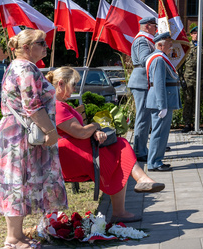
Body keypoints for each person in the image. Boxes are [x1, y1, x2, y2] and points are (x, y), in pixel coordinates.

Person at [47, 67, 164, 222]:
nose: (75, 88)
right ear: (60, 84)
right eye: (73, 84)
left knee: (119, 148)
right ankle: (131, 194)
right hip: (70, 156)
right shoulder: (58, 106)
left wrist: (94, 131)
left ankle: (139, 184)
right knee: (119, 150)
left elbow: (77, 132)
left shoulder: (60, 104)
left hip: (76, 151)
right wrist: (96, 126)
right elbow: (80, 133)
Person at [0, 29, 66, 249]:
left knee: (17, 183)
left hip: (15, 132)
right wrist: (51, 132)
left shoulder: (19, 66)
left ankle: (17, 235)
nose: (46, 46)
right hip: (20, 134)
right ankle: (13, 239)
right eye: (41, 43)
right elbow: (32, 105)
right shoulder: (25, 68)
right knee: (16, 183)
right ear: (26, 48)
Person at [146, 31, 181, 171]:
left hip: (163, 100)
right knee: (159, 132)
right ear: (160, 45)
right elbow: (159, 83)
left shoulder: (160, 57)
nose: (171, 44)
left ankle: (156, 160)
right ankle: (154, 162)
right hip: (162, 101)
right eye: (168, 42)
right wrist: (162, 105)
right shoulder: (159, 59)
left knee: (161, 132)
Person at [127, 16, 157, 162]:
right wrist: (158, 53)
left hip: (144, 81)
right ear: (147, 26)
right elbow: (145, 59)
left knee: (146, 117)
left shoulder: (146, 40)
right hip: (141, 81)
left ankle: (142, 148)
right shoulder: (142, 40)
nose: (156, 29)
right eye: (154, 26)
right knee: (143, 117)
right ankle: (139, 151)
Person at [179, 25, 203, 132]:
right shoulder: (186, 47)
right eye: (194, 33)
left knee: (197, 102)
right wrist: (181, 78)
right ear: (191, 35)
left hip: (199, 79)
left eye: (198, 33)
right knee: (187, 101)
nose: (196, 35)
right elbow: (180, 64)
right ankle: (187, 124)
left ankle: (196, 122)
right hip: (188, 78)